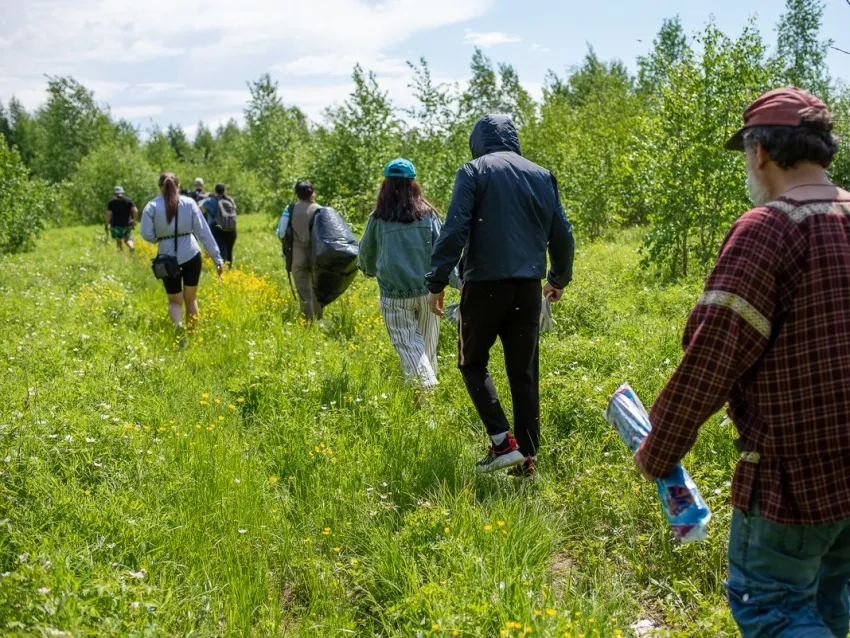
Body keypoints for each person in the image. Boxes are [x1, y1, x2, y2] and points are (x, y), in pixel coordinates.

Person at [633, 87, 850, 638]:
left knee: (773, 608)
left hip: (793, 481)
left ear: (760, 153)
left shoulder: (769, 228)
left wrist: (659, 451)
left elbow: (714, 355)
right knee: (829, 599)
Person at [426, 114, 575, 478]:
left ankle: (502, 443)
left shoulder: (474, 171)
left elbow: (454, 229)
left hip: (485, 284)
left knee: (472, 362)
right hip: (528, 284)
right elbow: (563, 234)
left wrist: (436, 281)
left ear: (477, 141)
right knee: (523, 371)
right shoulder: (541, 174)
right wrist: (558, 278)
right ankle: (527, 459)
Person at [359, 158, 458, 394]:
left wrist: (368, 270)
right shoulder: (428, 215)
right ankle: (427, 408)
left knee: (409, 347)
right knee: (426, 348)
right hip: (428, 292)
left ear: (386, 185)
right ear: (413, 185)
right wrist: (458, 280)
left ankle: (426, 388)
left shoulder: (378, 218)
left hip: (394, 296)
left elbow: (366, 252)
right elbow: (444, 250)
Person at [141, 172, 223, 330]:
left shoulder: (151, 206)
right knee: (191, 299)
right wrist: (217, 258)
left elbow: (146, 234)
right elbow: (203, 232)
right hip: (191, 254)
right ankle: (192, 336)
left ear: (160, 187)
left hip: (166, 258)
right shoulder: (189, 203)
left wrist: (159, 239)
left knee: (174, 301)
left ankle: (178, 326)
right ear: (178, 186)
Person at [289, 180, 322, 321]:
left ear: (297, 194)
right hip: (317, 255)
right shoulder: (320, 209)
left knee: (304, 291)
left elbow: (282, 232)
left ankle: (308, 321)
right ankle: (319, 319)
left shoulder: (291, 209)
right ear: (312, 193)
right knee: (317, 290)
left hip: (298, 254)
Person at [201, 183, 237, 267]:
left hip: (217, 227)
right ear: (225, 190)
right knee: (229, 250)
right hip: (231, 228)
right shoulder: (230, 200)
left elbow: (201, 209)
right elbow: (234, 208)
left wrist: (206, 198)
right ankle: (229, 268)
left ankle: (221, 269)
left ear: (215, 190)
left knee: (220, 249)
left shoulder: (211, 200)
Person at [105, 186, 138, 252]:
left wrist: (106, 224)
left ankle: (121, 256)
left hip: (116, 225)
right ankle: (131, 246)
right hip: (127, 224)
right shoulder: (129, 200)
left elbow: (108, 215)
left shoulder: (112, 202)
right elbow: (135, 211)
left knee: (119, 241)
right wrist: (134, 221)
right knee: (127, 239)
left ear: (114, 193)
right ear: (122, 193)